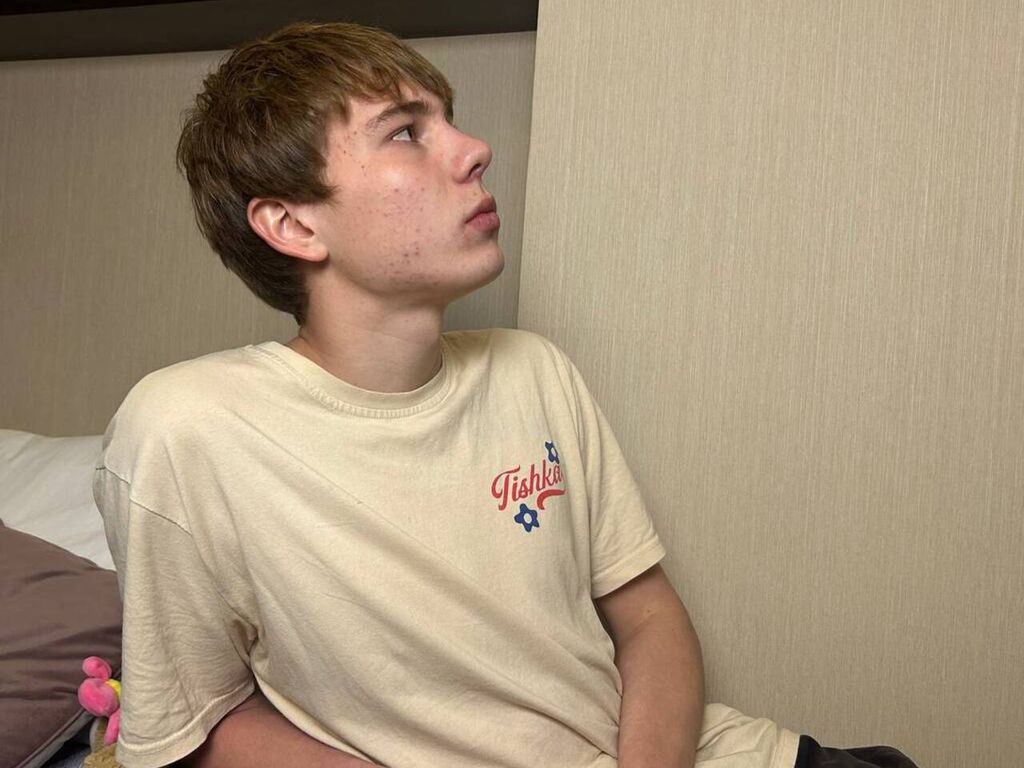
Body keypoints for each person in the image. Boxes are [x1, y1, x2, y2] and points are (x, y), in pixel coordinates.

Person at [94, 21, 918, 768]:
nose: (475, 150)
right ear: (295, 226)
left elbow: (648, 617)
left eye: (447, 119)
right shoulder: (187, 429)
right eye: (406, 133)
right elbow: (197, 725)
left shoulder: (534, 370)